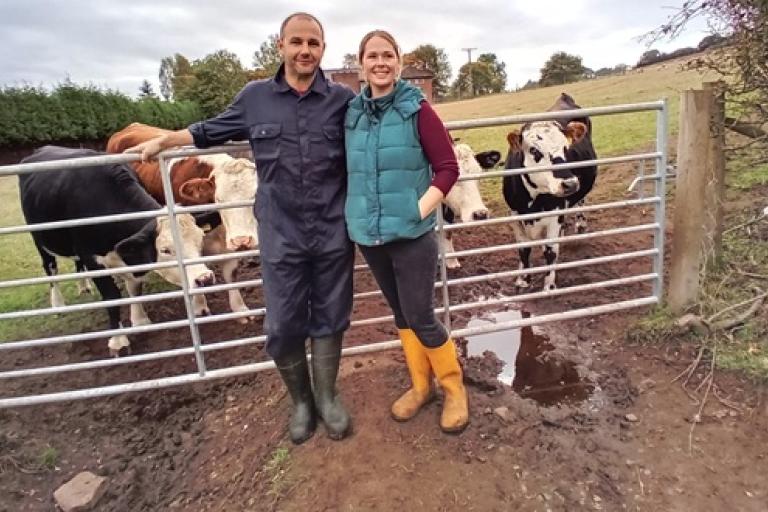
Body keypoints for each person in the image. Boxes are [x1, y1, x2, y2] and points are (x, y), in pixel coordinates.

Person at [124, 12, 355, 445]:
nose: (305, 50)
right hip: (280, 231)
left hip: (331, 228)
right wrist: (162, 142)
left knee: (331, 315)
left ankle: (327, 398)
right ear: (280, 46)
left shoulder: (342, 98)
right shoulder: (255, 98)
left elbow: (376, 128)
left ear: (322, 48)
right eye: (297, 42)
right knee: (283, 323)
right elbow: (207, 130)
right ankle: (301, 403)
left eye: (314, 43)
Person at [344, 30, 469, 433]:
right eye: (372, 56)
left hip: (412, 234)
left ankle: (453, 388)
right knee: (400, 315)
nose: (380, 62)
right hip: (370, 234)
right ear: (360, 64)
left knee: (421, 315)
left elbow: (448, 167)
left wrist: (417, 209)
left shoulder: (418, 109)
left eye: (387, 55)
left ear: (399, 61)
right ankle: (421, 386)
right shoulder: (352, 114)